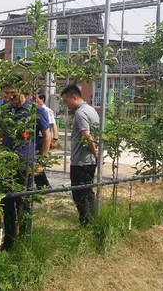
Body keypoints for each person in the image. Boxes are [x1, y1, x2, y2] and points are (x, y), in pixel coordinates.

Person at [0, 82, 50, 251]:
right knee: (6, 203)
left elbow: (47, 135)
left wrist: (41, 162)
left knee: (24, 203)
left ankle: (25, 242)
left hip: (25, 165)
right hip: (6, 164)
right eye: (6, 94)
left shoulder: (35, 110)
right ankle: (9, 242)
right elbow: (2, 135)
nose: (8, 97)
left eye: (11, 93)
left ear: (21, 90)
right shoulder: (6, 110)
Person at [60, 84, 100, 227]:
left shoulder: (80, 112)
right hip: (88, 160)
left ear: (75, 97)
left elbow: (86, 135)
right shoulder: (92, 110)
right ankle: (93, 222)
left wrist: (95, 152)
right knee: (88, 192)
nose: (66, 105)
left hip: (81, 162)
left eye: (66, 101)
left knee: (79, 194)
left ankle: (86, 225)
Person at [33, 89, 59, 189]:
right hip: (38, 138)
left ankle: (44, 184)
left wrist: (54, 139)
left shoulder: (46, 111)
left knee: (38, 161)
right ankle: (42, 184)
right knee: (35, 160)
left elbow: (53, 125)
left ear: (42, 99)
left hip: (43, 139)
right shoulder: (33, 110)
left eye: (37, 98)